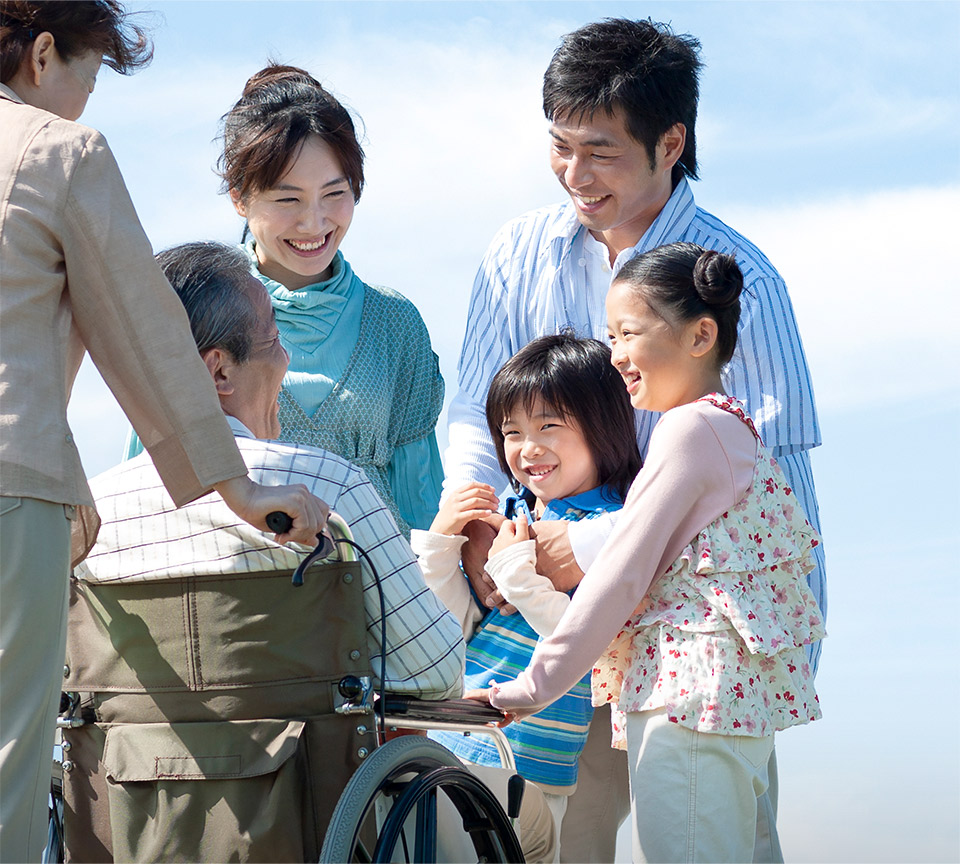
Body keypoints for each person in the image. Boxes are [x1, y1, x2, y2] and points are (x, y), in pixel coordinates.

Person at [444, 18, 826, 860]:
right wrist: (473, 525)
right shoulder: (517, 252)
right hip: (532, 615)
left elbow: (775, 491)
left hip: (684, 652)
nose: (575, 174)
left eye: (601, 150)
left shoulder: (738, 282)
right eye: (559, 145)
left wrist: (574, 546)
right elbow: (472, 411)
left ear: (671, 142)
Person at [78, 241, 556, 864]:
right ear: (218, 370)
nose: (287, 355)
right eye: (275, 336)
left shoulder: (88, 513)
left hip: (135, 820)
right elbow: (438, 668)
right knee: (533, 822)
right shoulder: (324, 490)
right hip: (323, 819)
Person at [0, 6, 327, 860]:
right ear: (42, 55)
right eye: (86, 76)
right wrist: (238, 487)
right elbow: (145, 330)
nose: (79, 102)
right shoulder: (54, 148)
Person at [471, 242, 825, 863]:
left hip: (685, 699)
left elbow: (619, 576)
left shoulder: (689, 430)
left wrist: (531, 688)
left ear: (700, 336)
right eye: (610, 335)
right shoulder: (728, 429)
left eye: (627, 333)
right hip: (730, 703)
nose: (616, 355)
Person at [125, 64, 445, 537]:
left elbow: (421, 504)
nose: (314, 223)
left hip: (374, 588)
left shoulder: (395, 323)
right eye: (287, 199)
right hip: (244, 592)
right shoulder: (192, 307)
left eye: (334, 193)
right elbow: (147, 482)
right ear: (239, 195)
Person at [412, 334, 640, 853]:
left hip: (531, 762)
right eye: (511, 432)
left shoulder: (611, 529)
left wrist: (521, 576)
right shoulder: (518, 514)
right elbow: (459, 630)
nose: (526, 448)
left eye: (549, 427)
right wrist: (442, 544)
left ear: (603, 426)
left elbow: (585, 648)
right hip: (454, 739)